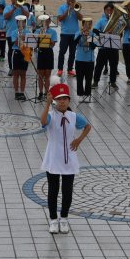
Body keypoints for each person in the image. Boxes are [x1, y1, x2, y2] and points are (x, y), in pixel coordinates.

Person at [39, 79, 91, 234]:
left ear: (69, 100)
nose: (62, 101)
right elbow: (43, 121)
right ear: (55, 100)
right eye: (59, 99)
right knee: (53, 190)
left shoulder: (74, 116)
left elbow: (88, 126)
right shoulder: (51, 115)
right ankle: (53, 220)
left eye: (65, 98)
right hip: (53, 157)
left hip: (69, 158)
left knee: (67, 191)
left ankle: (64, 218)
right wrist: (47, 104)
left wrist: (78, 140)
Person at [92, 2, 119, 89]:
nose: (109, 12)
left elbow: (120, 34)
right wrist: (104, 33)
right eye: (107, 10)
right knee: (99, 65)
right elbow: (95, 30)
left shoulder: (117, 21)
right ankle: (95, 82)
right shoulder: (101, 20)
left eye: (111, 10)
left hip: (113, 47)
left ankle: (113, 82)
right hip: (103, 47)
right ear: (104, 11)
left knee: (114, 66)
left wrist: (114, 33)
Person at [55, 0, 80, 77]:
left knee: (72, 53)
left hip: (75, 34)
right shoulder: (61, 7)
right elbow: (60, 19)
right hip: (65, 33)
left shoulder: (77, 7)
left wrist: (76, 11)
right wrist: (68, 9)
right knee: (62, 52)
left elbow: (81, 18)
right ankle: (60, 69)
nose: (71, 0)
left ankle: (70, 69)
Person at [34, 14, 57, 101]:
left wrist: (46, 36)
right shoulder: (37, 31)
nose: (45, 22)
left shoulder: (53, 32)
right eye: (43, 21)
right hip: (40, 52)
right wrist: (40, 34)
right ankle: (40, 92)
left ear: (49, 22)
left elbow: (53, 44)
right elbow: (35, 43)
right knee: (40, 74)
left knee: (47, 74)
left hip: (48, 52)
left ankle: (46, 92)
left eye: (47, 21)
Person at [10, 14, 32, 101]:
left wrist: (25, 38)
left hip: (25, 53)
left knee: (23, 74)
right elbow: (15, 43)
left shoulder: (28, 32)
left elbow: (30, 44)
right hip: (17, 52)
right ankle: (16, 92)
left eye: (23, 22)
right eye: (19, 22)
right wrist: (19, 36)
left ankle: (22, 92)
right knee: (16, 74)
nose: (21, 24)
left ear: (25, 23)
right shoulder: (14, 32)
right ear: (17, 23)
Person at [74, 18, 97, 97]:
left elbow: (93, 46)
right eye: (86, 24)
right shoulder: (78, 32)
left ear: (91, 25)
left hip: (89, 60)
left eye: (89, 24)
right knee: (79, 79)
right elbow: (74, 43)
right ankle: (80, 94)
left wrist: (88, 37)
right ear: (83, 25)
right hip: (79, 59)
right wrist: (81, 34)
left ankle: (87, 94)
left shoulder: (93, 34)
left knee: (89, 79)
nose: (87, 26)